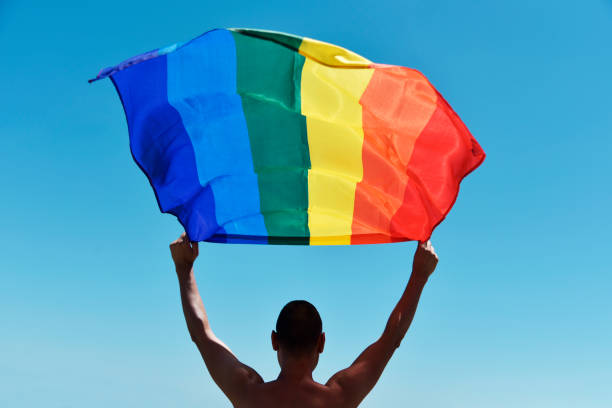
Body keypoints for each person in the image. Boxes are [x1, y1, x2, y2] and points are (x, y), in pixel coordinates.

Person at [170, 232, 438, 408]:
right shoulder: (338, 397)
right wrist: (419, 276)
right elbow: (392, 339)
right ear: (321, 342)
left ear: (275, 340)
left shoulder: (249, 394)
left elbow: (201, 335)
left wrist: (185, 269)